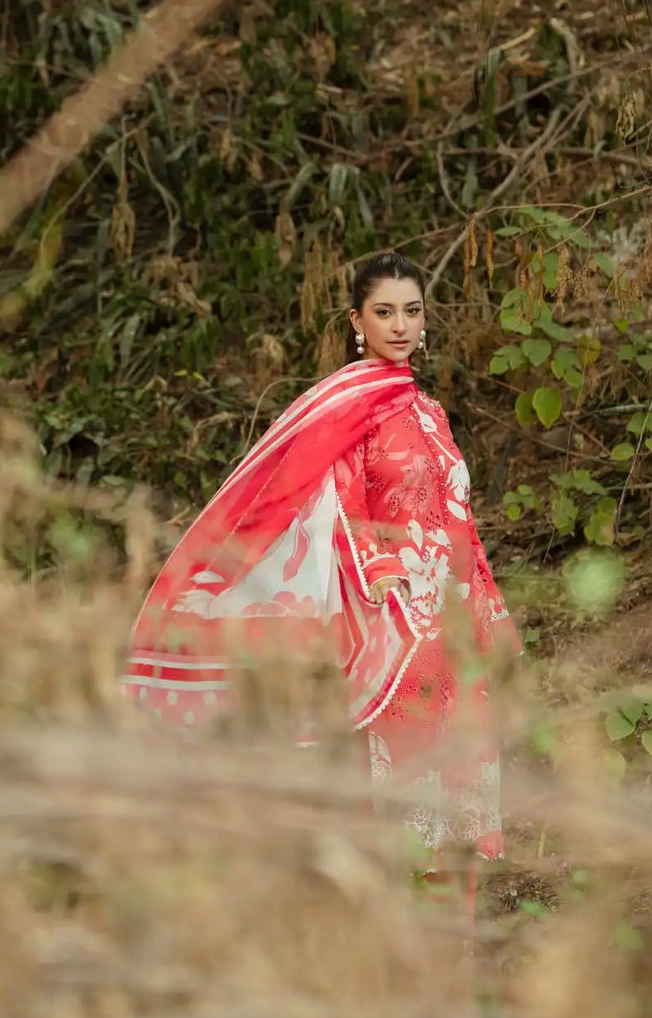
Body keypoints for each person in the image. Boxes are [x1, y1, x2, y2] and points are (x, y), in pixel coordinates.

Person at [125, 251, 519, 910]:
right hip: (401, 628)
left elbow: (461, 519)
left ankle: (459, 950)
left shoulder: (432, 412)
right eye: (385, 312)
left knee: (464, 784)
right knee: (410, 793)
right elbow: (342, 507)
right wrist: (386, 576)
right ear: (356, 321)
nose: (400, 325)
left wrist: (490, 612)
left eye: (412, 311)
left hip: (454, 622)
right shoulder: (349, 411)